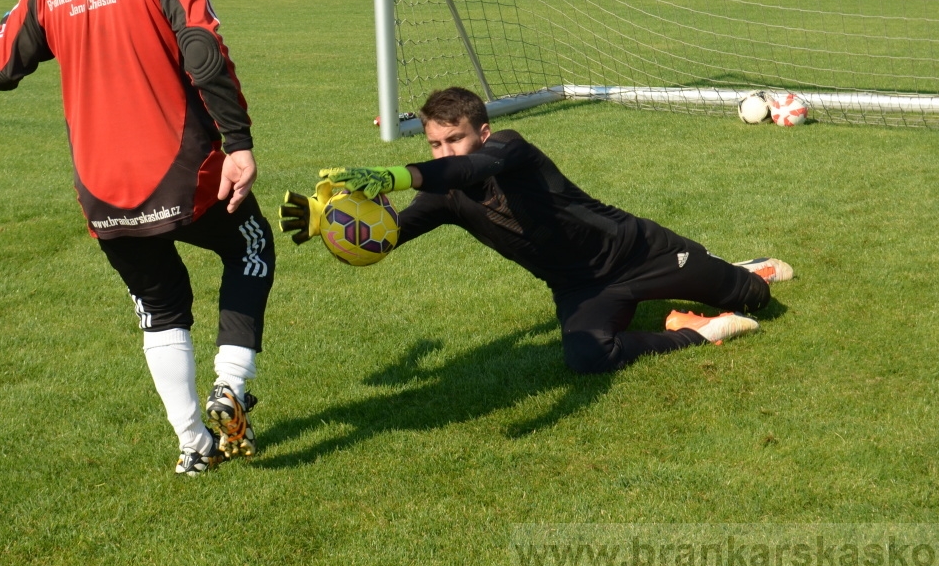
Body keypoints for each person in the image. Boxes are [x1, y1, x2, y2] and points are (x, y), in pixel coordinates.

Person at [0, 0, 274, 475]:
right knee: (251, 241)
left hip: (99, 189)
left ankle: (193, 444)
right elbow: (202, 48)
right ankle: (232, 388)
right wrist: (237, 141)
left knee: (160, 306)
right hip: (179, 168)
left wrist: (58, 15)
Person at [281, 86, 790, 375]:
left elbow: (465, 170)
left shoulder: (511, 148)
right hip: (581, 288)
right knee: (588, 358)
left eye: (454, 139)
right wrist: (330, 219)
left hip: (639, 252)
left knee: (757, 298)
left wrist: (394, 175)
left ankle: (737, 270)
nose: (444, 153)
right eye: (434, 143)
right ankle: (693, 331)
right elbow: (386, 236)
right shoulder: (445, 198)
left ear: (482, 133)